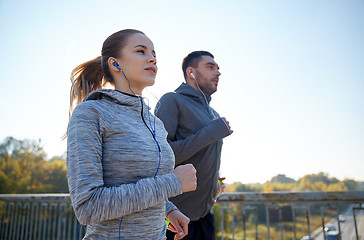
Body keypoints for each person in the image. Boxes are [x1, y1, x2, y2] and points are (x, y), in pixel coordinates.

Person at [66, 29, 197, 240]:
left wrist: (168, 209)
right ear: (115, 63)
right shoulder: (91, 113)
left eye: (154, 53)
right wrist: (172, 183)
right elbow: (88, 207)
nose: (152, 58)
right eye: (141, 51)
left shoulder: (155, 122)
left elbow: (142, 180)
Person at [155, 51, 233, 240]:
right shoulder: (171, 101)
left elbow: (202, 156)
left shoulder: (211, 111)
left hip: (205, 218)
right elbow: (160, 157)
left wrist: (215, 182)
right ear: (191, 72)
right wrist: (211, 132)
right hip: (173, 221)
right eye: (210, 67)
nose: (218, 73)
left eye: (218, 68)